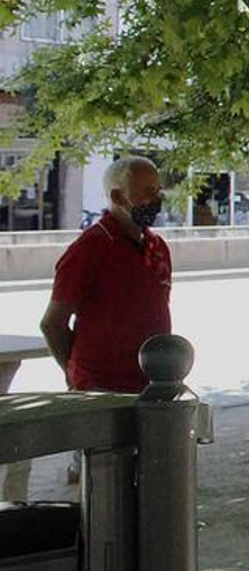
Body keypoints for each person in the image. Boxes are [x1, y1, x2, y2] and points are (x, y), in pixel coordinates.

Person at [40, 156, 172, 394]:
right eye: (147, 192)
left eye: (158, 191)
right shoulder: (91, 247)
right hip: (101, 389)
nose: (156, 200)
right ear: (118, 197)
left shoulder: (157, 246)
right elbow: (53, 324)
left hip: (152, 384)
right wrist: (76, 377)